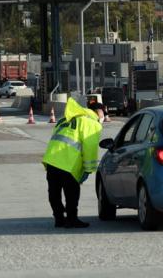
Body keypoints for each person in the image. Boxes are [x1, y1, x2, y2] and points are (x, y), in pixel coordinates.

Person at [41, 98, 104, 228]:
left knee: (54, 192)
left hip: (51, 159)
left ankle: (59, 219)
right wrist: (88, 169)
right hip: (68, 162)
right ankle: (72, 219)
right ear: (99, 112)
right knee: (72, 193)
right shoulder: (91, 123)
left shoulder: (65, 119)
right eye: (104, 114)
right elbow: (90, 147)